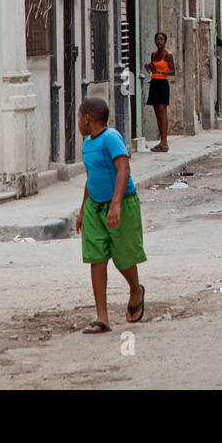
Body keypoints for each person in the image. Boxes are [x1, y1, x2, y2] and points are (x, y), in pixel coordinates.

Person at [77, 97, 146, 333]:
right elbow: (91, 177)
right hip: (94, 207)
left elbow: (123, 169)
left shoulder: (111, 138)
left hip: (121, 203)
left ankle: (136, 291)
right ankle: (102, 317)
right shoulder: (87, 144)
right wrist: (81, 211)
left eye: (78, 117)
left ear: (87, 118)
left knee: (123, 256)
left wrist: (116, 204)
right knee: (96, 258)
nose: (78, 122)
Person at [145, 31, 175, 152]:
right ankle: (161, 141)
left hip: (163, 84)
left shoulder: (168, 55)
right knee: (157, 113)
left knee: (163, 113)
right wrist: (149, 68)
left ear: (165, 41)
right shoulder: (153, 54)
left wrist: (161, 72)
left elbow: (173, 71)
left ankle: (165, 142)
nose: (159, 41)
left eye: (162, 39)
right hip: (154, 83)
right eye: (157, 39)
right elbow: (153, 69)